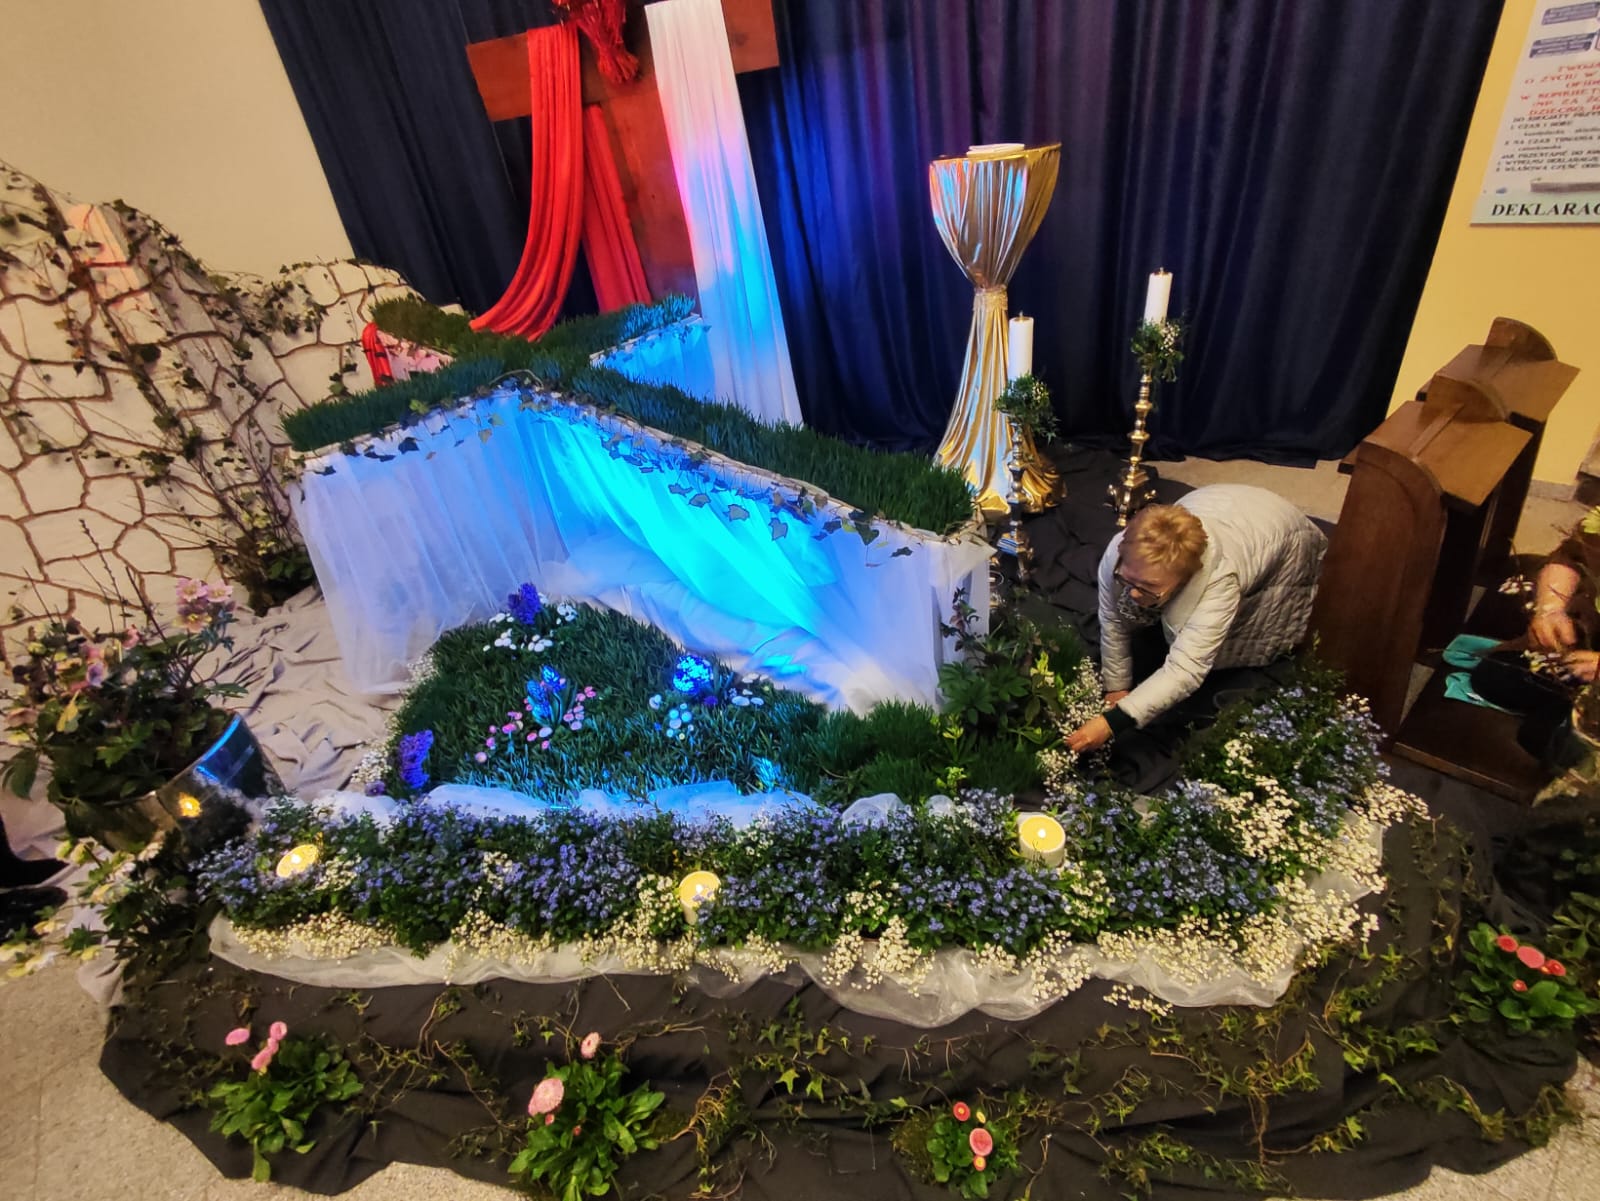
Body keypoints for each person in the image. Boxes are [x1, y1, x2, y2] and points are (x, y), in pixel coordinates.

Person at [1065, 485, 1327, 753]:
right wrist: (1116, 687)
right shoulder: (1120, 553)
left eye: (1149, 587)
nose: (1132, 593)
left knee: (1253, 621)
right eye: (1127, 580)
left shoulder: (1220, 583)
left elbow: (1186, 669)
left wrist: (1114, 722)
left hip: (1282, 533)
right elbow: (1112, 619)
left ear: (1184, 579)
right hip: (1222, 499)